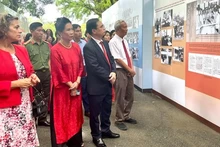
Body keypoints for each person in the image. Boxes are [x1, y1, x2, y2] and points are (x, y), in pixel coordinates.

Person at [0, 13, 40, 146]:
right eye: (16, 27)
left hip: (25, 107)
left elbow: (30, 69)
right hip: (5, 111)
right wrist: (15, 84)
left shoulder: (21, 49)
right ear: (3, 29)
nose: (21, 30)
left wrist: (33, 76)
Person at [83, 18, 120, 147]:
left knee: (107, 110)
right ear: (94, 30)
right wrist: (109, 76)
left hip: (107, 84)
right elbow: (93, 66)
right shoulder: (88, 46)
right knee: (95, 114)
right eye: (101, 26)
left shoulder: (105, 43)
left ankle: (105, 130)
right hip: (96, 86)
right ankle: (96, 136)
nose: (104, 28)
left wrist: (114, 71)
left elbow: (111, 59)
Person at [50, 17, 84, 147]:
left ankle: (75, 142)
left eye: (72, 29)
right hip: (63, 91)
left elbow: (81, 65)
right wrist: (71, 85)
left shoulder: (76, 47)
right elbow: (58, 71)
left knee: (75, 116)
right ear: (59, 33)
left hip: (76, 87)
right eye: (68, 30)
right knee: (63, 117)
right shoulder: (55, 50)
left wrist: (77, 81)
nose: (72, 32)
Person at [109, 20, 137, 131]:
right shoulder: (113, 42)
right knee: (120, 96)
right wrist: (129, 69)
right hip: (120, 71)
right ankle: (119, 119)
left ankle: (126, 115)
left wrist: (131, 68)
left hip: (128, 71)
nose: (127, 29)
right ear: (118, 29)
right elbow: (118, 59)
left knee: (130, 95)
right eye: (125, 27)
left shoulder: (124, 41)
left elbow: (128, 56)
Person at [25, 22, 51, 126]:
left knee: (45, 96)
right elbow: (26, 62)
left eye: (42, 30)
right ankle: (34, 119)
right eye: (38, 30)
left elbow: (49, 59)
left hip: (46, 73)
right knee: (35, 97)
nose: (41, 33)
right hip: (34, 74)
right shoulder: (26, 46)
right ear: (32, 31)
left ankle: (42, 118)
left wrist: (50, 72)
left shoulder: (46, 45)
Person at [72, 24, 90, 117]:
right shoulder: (70, 43)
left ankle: (87, 109)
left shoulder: (84, 43)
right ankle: (76, 110)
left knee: (85, 89)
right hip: (74, 69)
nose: (79, 33)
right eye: (77, 31)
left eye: (80, 31)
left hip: (85, 67)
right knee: (77, 90)